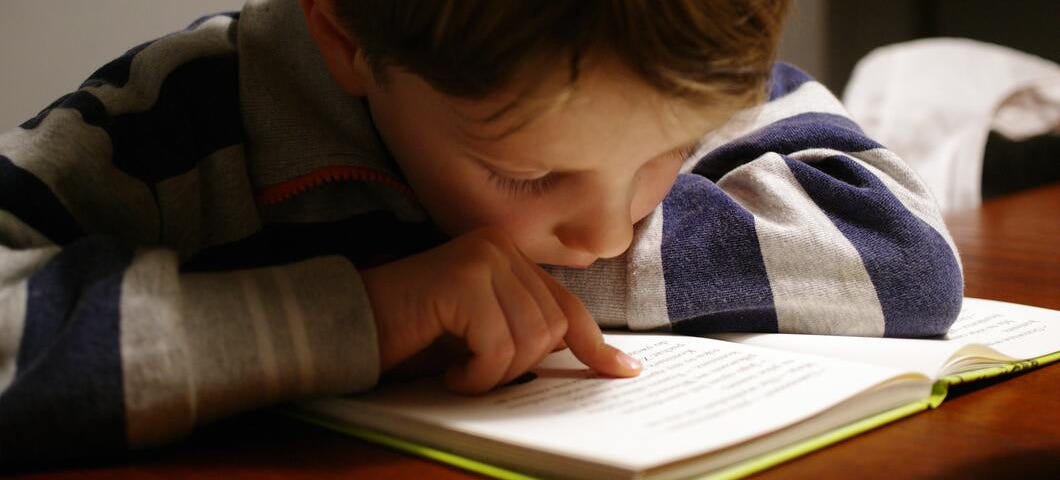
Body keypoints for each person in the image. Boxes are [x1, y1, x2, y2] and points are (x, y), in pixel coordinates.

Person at [0, 0, 962, 465]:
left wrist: (511, 289)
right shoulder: (171, 119)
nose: (608, 230)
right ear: (346, 38)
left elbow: (904, 251)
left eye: (667, 153)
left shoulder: (662, 54)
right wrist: (364, 311)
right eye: (531, 173)